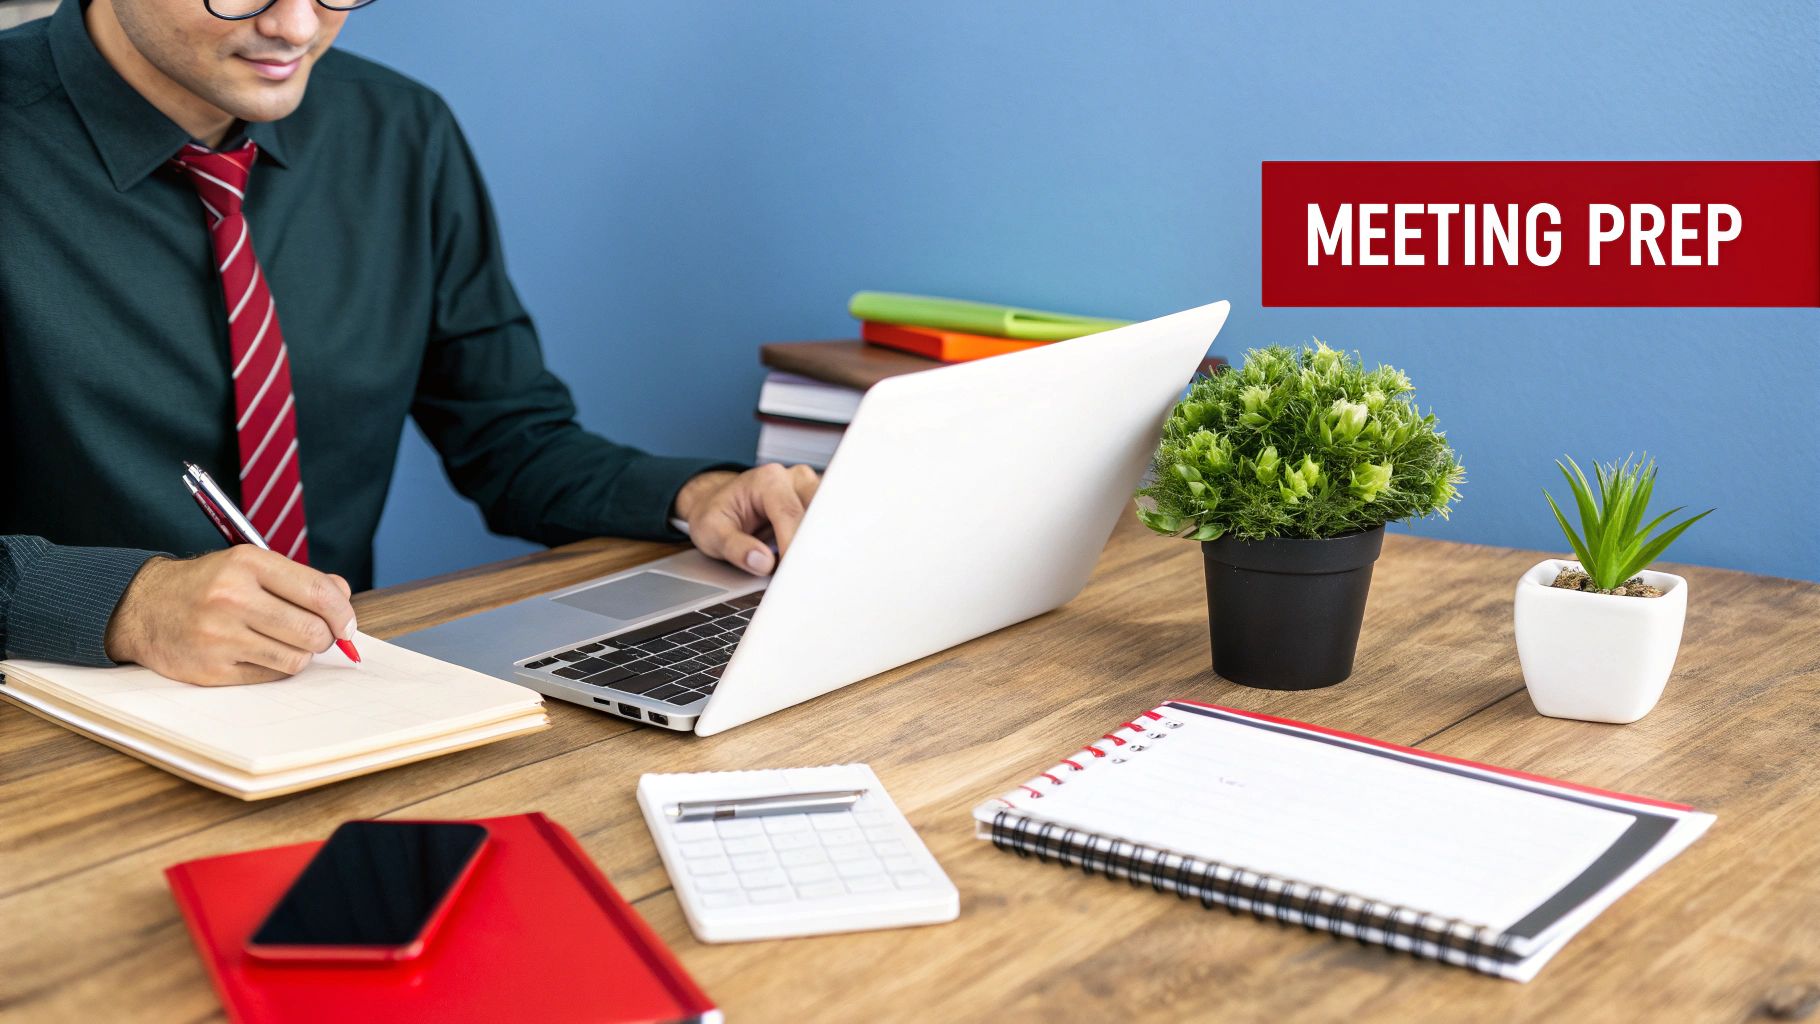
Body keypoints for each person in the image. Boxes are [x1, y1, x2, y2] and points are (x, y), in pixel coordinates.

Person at [0, 0, 818, 685]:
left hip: (327, 694)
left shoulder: (398, 129)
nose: (295, 26)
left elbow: (511, 439)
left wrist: (694, 498)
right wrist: (128, 606)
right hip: (45, 716)